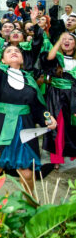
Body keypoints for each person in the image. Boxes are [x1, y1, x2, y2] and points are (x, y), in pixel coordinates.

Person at [0, 41, 57, 196]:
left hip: (23, 129)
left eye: (17, 51)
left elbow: (38, 106)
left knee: (27, 173)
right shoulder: (0, 75)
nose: (13, 52)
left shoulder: (30, 80)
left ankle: (29, 202)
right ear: (3, 60)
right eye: (9, 51)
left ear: (22, 59)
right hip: (0, 127)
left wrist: (48, 117)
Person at [41, 32, 76, 169]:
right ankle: (56, 157)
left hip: (73, 95)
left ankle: (71, 152)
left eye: (70, 39)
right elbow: (49, 57)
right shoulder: (57, 58)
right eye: (64, 40)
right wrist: (59, 40)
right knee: (57, 125)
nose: (66, 41)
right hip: (56, 95)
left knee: (71, 126)